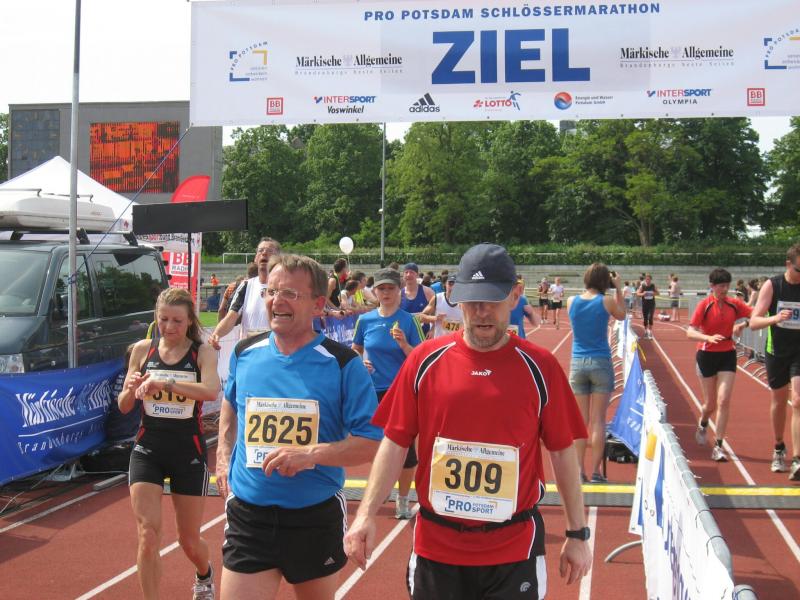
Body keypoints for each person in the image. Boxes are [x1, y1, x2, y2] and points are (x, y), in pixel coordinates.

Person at [344, 243, 591, 599]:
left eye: (492, 299)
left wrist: (577, 533)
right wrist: (366, 514)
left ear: (515, 295)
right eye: (472, 300)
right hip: (436, 549)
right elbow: (395, 442)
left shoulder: (541, 367)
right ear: (456, 299)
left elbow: (562, 451)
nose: (481, 311)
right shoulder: (423, 361)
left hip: (514, 550)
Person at [216, 254, 382, 600]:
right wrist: (223, 453)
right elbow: (231, 401)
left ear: (318, 305)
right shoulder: (245, 353)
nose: (277, 300)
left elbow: (370, 443)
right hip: (249, 515)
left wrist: (309, 455)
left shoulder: (343, 364)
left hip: (313, 517)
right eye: (272, 291)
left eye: (290, 293)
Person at [118, 288, 221, 600]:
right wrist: (132, 388)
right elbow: (123, 406)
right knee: (147, 533)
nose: (169, 326)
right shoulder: (142, 350)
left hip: (188, 450)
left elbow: (211, 390)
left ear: (189, 320)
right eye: (163, 319)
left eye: (177, 320)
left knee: (188, 540)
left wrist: (166, 383)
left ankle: (204, 574)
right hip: (148, 448)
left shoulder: (202, 352)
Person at [351, 267, 424, 518]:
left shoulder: (409, 321)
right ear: (375, 291)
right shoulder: (365, 320)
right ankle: (379, 492)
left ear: (399, 290)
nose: (386, 293)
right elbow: (355, 349)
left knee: (406, 451)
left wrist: (404, 344)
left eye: (390, 288)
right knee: (376, 446)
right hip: (374, 392)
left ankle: (403, 500)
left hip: (402, 393)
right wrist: (360, 362)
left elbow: (421, 358)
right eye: (381, 288)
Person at [567, 264, 626, 482]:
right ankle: (596, 472)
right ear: (604, 281)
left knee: (580, 421)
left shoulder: (571, 301)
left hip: (578, 362)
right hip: (600, 361)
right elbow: (622, 316)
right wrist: (618, 288)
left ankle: (578, 470)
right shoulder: (606, 301)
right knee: (598, 420)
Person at [687, 269, 752, 462]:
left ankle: (718, 446)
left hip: (727, 355)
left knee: (723, 400)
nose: (725, 289)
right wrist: (707, 337)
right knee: (710, 405)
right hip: (706, 356)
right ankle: (703, 422)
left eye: (727, 286)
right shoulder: (705, 305)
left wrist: (743, 325)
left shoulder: (734, 304)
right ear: (712, 286)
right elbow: (690, 332)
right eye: (721, 286)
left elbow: (756, 314)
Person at [750, 243, 800, 478]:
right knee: (779, 401)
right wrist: (776, 318)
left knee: (797, 400)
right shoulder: (773, 285)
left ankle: (798, 460)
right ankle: (779, 446)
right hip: (777, 351)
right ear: (788, 264)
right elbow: (754, 322)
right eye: (799, 270)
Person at [210, 238, 281, 348]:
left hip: (274, 350)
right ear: (256, 258)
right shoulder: (246, 286)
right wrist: (216, 334)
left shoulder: (284, 288)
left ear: (278, 258)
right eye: (260, 250)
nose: (264, 253)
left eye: (270, 251)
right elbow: (231, 317)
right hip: (248, 351)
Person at [420, 273, 463, 338]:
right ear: (445, 284)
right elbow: (421, 317)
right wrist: (435, 318)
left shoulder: (465, 302)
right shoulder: (437, 298)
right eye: (450, 284)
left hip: (457, 341)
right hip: (439, 340)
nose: (452, 288)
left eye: (456, 285)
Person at [400, 262, 435, 337]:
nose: (408, 275)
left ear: (417, 275)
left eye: (411, 272)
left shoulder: (427, 292)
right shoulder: (399, 294)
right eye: (406, 272)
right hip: (405, 335)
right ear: (403, 275)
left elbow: (438, 311)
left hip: (424, 335)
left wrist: (433, 329)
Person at [636, 274, 658, 339]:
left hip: (651, 304)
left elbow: (658, 293)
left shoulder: (653, 285)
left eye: (649, 279)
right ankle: (645, 331)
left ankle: (650, 331)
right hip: (645, 304)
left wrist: (654, 293)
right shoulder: (642, 286)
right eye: (646, 279)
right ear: (645, 279)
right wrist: (643, 294)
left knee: (650, 317)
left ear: (651, 279)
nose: (648, 280)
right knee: (645, 318)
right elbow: (638, 293)